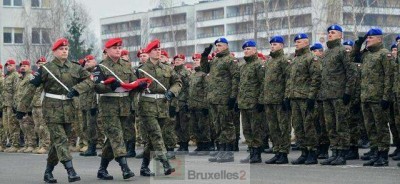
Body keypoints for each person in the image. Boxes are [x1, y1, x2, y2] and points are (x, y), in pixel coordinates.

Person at [17, 38, 94, 183]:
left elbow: (90, 80)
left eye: (66, 49)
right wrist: (22, 108)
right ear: (54, 51)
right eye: (61, 49)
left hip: (69, 109)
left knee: (56, 143)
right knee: (61, 140)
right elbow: (31, 88)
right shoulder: (46, 69)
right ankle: (70, 171)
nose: (64, 51)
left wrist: (77, 90)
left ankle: (48, 173)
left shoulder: (75, 67)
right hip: (51, 109)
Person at [93, 37, 151, 180]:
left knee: (117, 138)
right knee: (116, 136)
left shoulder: (126, 65)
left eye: (119, 48)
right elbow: (97, 86)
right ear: (106, 50)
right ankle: (125, 168)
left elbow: (133, 83)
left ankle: (102, 169)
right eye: (115, 48)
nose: (118, 50)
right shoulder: (101, 67)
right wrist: (108, 86)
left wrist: (140, 86)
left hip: (124, 104)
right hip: (109, 105)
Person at [136, 39, 181, 176]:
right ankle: (166, 163)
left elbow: (178, 82)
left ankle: (144, 167)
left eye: (159, 49)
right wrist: (140, 86)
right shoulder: (141, 70)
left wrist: (171, 92)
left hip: (162, 106)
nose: (158, 51)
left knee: (152, 139)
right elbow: (133, 87)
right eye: (155, 49)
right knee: (156, 135)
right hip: (147, 106)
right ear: (149, 52)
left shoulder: (167, 68)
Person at [352, 28, 393, 167]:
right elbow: (353, 56)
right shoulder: (367, 55)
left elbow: (389, 76)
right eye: (367, 38)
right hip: (366, 97)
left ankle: (383, 155)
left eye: (371, 38)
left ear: (379, 39)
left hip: (378, 98)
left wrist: (386, 97)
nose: (368, 39)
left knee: (381, 127)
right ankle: (375, 152)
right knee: (370, 128)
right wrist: (359, 43)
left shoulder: (384, 54)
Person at [319, 25, 357, 166]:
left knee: (341, 125)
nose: (330, 34)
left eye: (333, 32)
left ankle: (342, 153)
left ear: (340, 36)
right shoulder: (327, 53)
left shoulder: (343, 51)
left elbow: (351, 72)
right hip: (327, 95)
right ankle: (334, 152)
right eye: (329, 32)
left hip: (339, 95)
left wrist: (348, 92)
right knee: (331, 125)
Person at [200, 38, 239, 163]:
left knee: (226, 124)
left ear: (226, 46)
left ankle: (228, 152)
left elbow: (235, 78)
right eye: (216, 45)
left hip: (224, 98)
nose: (217, 47)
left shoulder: (230, 60)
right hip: (213, 98)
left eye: (220, 45)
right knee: (217, 125)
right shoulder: (216, 59)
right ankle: (221, 149)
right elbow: (205, 69)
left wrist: (233, 96)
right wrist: (204, 56)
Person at [285, 33, 321, 165]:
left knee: (309, 126)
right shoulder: (295, 60)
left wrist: (312, 96)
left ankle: (312, 153)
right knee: (298, 127)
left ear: (306, 43)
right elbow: (290, 80)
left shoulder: (311, 58)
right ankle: (304, 152)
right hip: (295, 98)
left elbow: (316, 78)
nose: (296, 44)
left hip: (306, 98)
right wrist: (288, 96)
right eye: (296, 42)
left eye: (299, 42)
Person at [262, 36, 291, 164]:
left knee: (283, 127)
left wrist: (286, 97)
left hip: (280, 100)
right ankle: (277, 151)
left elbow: (288, 80)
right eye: (271, 44)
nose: (272, 46)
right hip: (269, 100)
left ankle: (283, 153)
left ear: (281, 46)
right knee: (273, 128)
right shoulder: (269, 61)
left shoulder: (284, 60)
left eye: (275, 44)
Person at [236, 40, 264, 164]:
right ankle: (251, 151)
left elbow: (263, 84)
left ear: (254, 50)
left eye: (248, 49)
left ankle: (257, 153)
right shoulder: (243, 66)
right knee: (247, 129)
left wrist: (260, 100)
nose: (246, 51)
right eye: (245, 49)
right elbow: (240, 85)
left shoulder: (258, 65)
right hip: (244, 103)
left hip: (254, 103)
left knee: (256, 128)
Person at [3, 59, 20, 153]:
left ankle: (15, 144)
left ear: (14, 66)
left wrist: (15, 104)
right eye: (7, 66)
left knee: (13, 124)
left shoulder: (15, 75)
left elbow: (16, 91)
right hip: (5, 104)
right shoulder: (7, 76)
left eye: (10, 65)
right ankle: (11, 143)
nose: (8, 67)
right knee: (7, 125)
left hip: (11, 104)